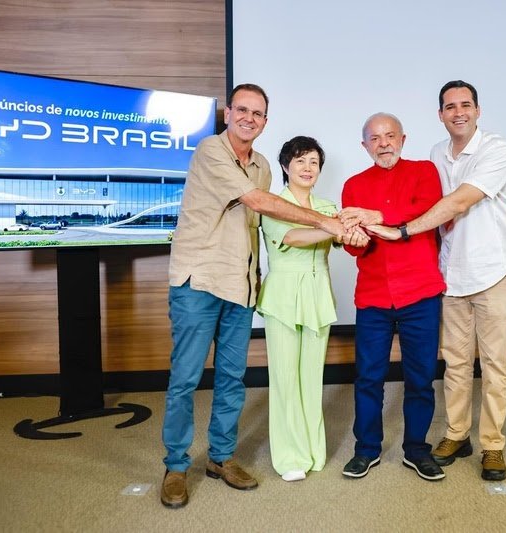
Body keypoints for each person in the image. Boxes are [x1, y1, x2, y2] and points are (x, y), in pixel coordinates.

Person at [161, 84, 347, 508]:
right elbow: (259, 201)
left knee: (231, 379)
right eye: (242, 110)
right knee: (186, 379)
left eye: (258, 113)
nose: (249, 118)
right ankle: (175, 465)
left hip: (242, 286)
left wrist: (341, 224)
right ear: (228, 113)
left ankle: (221, 458)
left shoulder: (262, 163)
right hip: (199, 280)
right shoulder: (211, 150)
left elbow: (266, 219)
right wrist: (330, 223)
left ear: (265, 121)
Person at [365, 81, 506, 481]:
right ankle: (456, 434)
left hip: (493, 273)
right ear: (440, 115)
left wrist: (400, 230)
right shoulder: (436, 154)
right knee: (453, 363)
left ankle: (492, 445)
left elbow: (457, 202)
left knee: (493, 365)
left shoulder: (496, 150)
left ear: (478, 110)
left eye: (465, 105)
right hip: (450, 276)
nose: (458, 112)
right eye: (450, 107)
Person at [337, 112, 447, 482]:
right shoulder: (353, 185)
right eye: (374, 138)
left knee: (421, 377)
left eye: (390, 136)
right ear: (364, 145)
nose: (383, 143)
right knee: (368, 377)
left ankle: (417, 449)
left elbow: (425, 212)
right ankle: (366, 449)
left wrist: (374, 215)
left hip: (420, 294)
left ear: (403, 138)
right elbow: (356, 245)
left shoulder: (425, 172)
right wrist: (353, 238)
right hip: (373, 296)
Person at [257, 136, 368, 482]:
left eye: (314, 162)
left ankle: (312, 451)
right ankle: (289, 455)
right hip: (284, 296)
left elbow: (342, 236)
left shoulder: (326, 205)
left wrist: (349, 230)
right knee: (285, 379)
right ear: (286, 166)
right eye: (300, 161)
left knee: (310, 378)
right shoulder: (273, 203)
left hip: (318, 295)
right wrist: (332, 228)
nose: (308, 168)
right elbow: (290, 237)